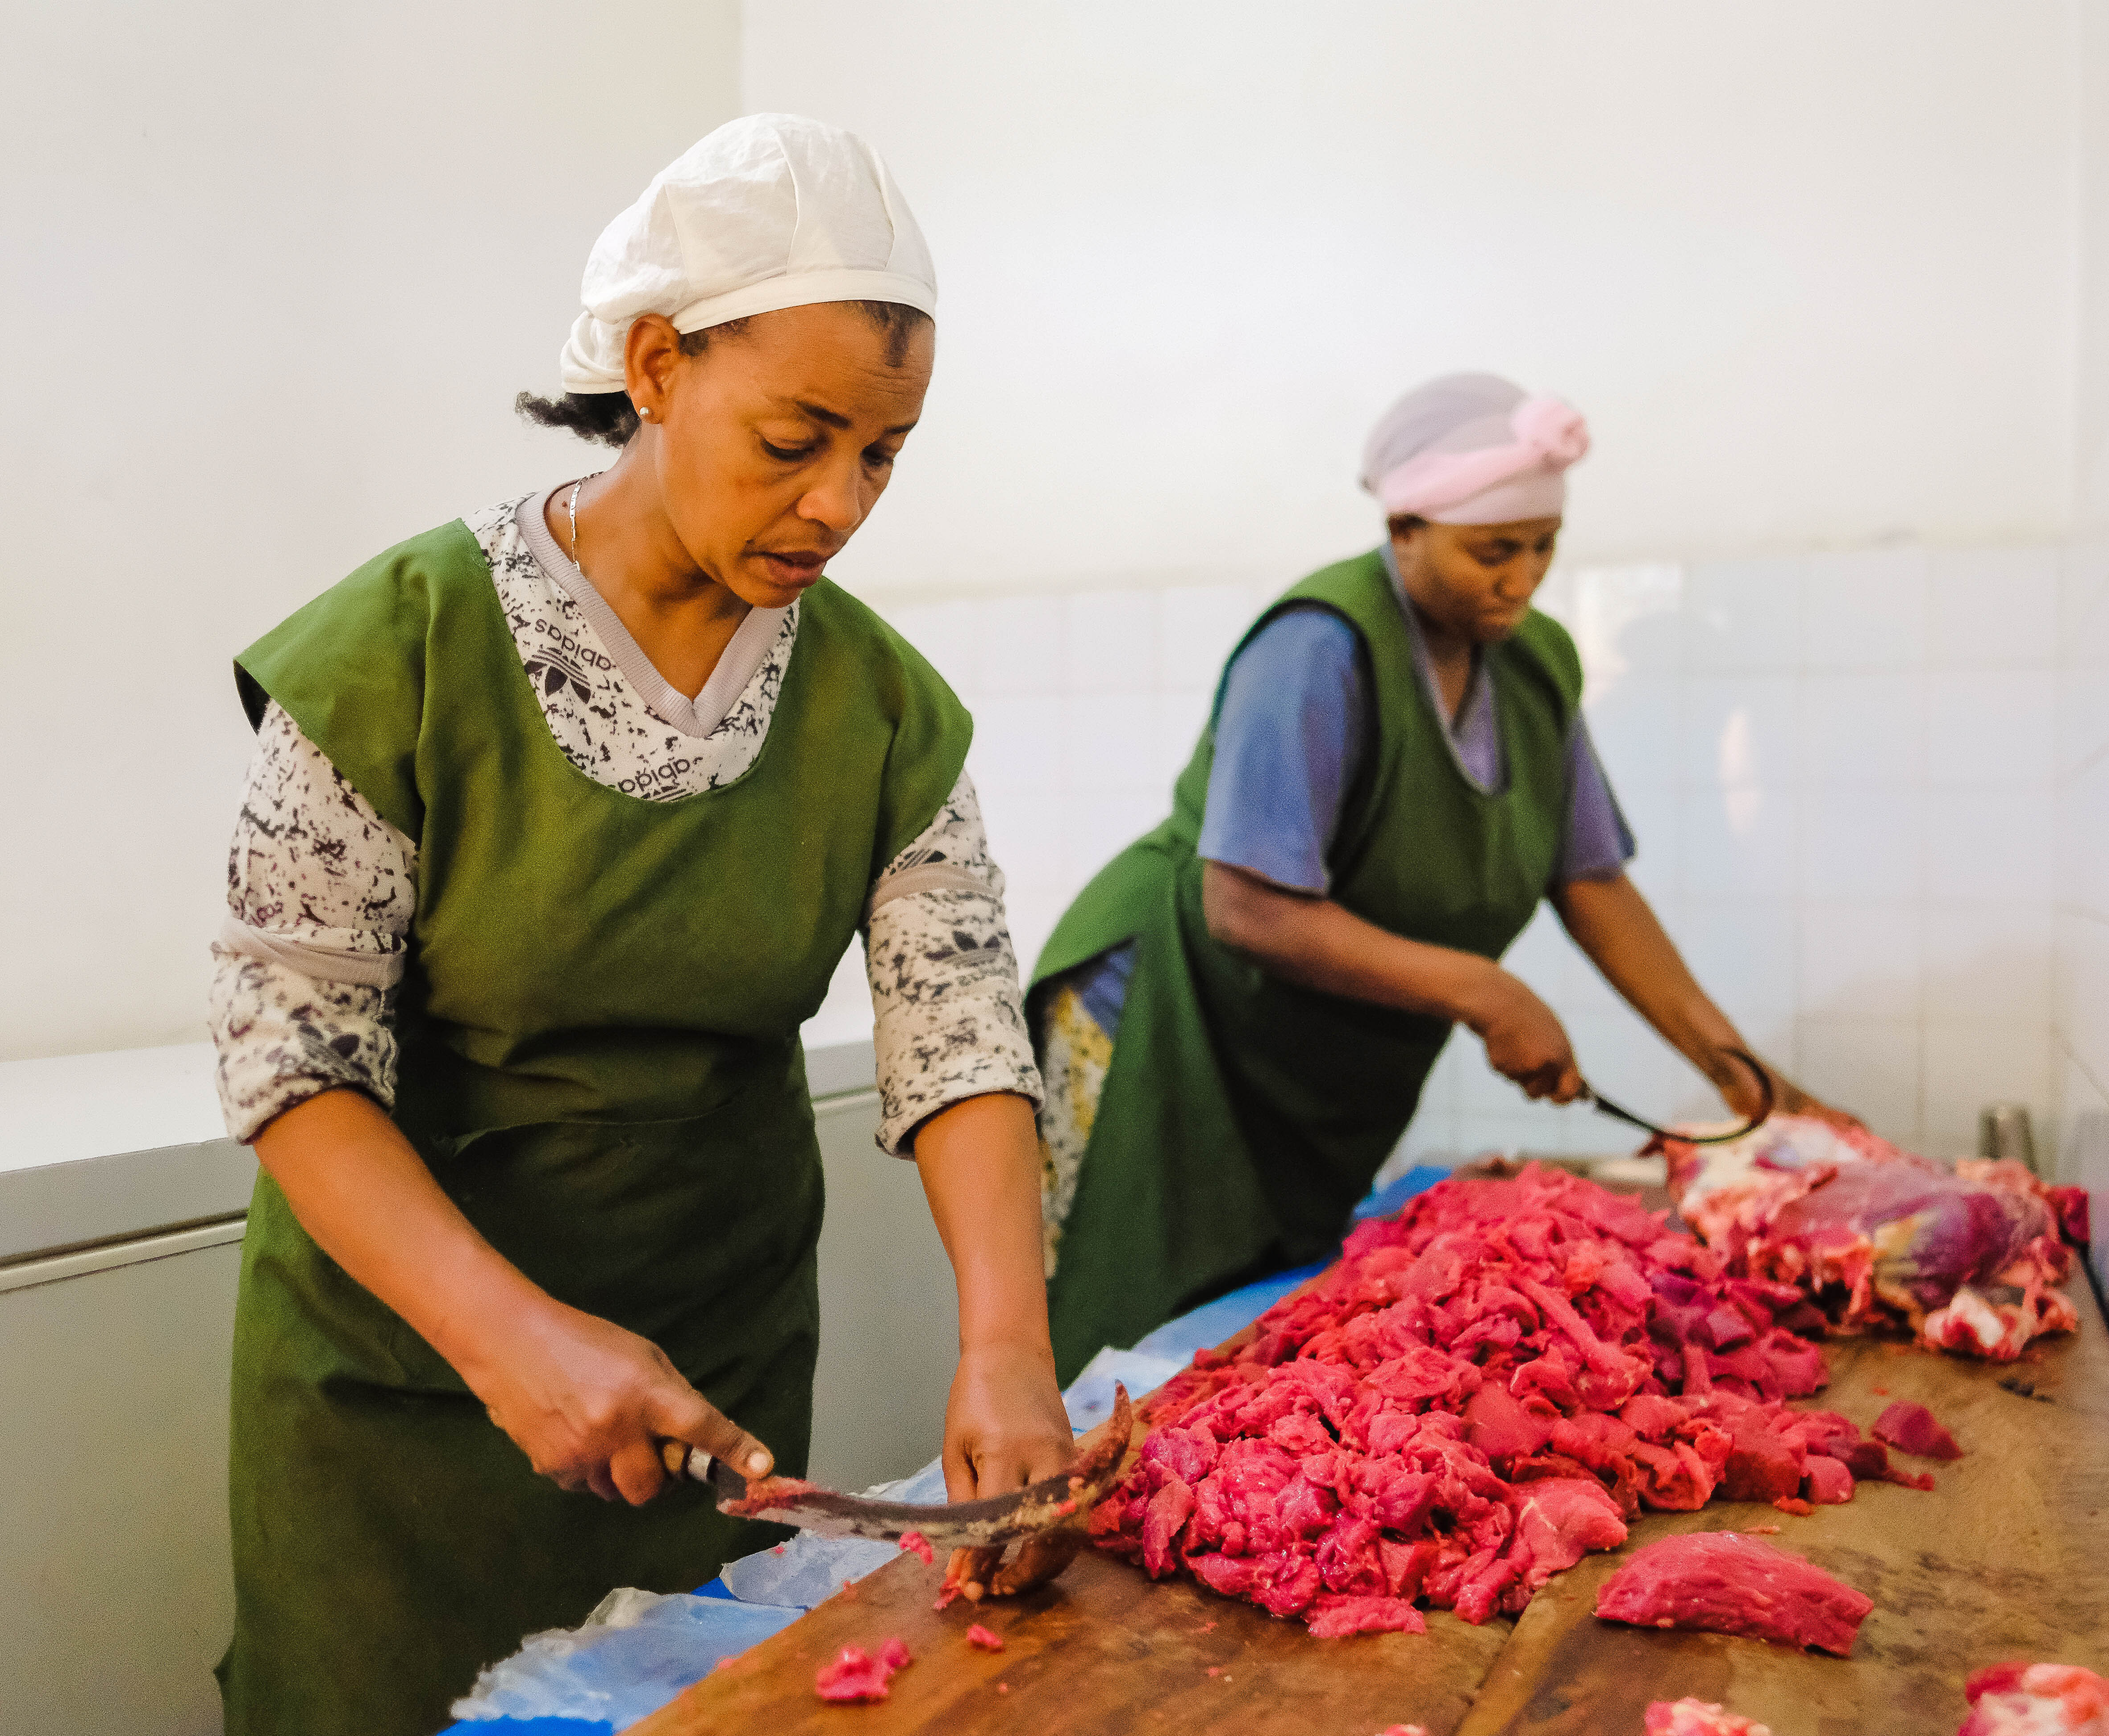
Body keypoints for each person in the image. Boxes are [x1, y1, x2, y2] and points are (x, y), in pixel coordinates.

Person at [205, 115, 1074, 1736]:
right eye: (795, 436)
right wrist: (509, 1337)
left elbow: (957, 1027)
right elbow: (286, 1056)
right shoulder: (400, 651)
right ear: (661, 365)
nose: (837, 503)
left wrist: (1009, 1342)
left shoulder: (882, 708)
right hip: (409, 1388)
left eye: (881, 454)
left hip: (714, 1375)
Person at [1029, 372, 1853, 1378]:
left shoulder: (1535, 664)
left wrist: (1748, 1083)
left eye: (1543, 547)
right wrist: (1483, 988)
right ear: (1406, 525)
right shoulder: (1319, 646)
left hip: (1301, 1059)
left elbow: (1591, 883)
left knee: (1263, 1335)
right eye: (1493, 551)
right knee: (1129, 1329)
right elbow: (1244, 905)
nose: (1523, 579)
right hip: (1164, 1014)